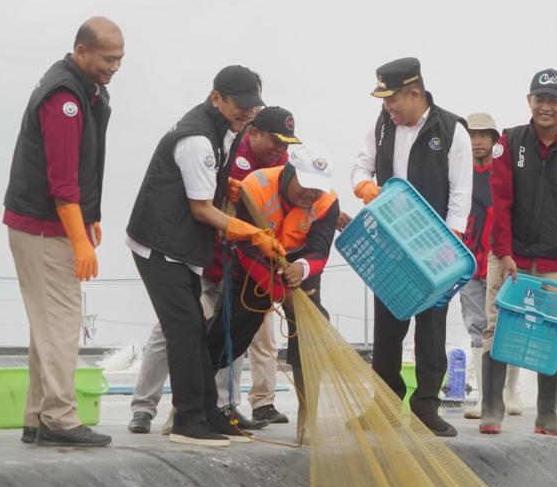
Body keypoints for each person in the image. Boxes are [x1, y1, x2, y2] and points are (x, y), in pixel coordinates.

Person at [126, 65, 284, 447]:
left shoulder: (222, 132)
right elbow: (202, 210)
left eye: (252, 107)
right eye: (240, 106)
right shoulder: (198, 137)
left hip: (183, 248)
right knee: (183, 331)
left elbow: (206, 187)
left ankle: (210, 413)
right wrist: (255, 234)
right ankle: (187, 419)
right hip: (160, 246)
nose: (247, 114)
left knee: (196, 330)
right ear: (217, 98)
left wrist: (224, 184)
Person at [4, 17, 123, 447]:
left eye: (120, 59)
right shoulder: (64, 98)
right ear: (81, 51)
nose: (114, 66)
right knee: (62, 323)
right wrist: (79, 242)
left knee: (47, 326)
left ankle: (38, 417)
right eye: (108, 58)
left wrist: (90, 218)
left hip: (47, 223)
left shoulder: (87, 92)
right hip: (43, 228)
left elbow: (83, 167)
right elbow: (61, 181)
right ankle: (59, 417)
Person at [350, 57, 472, 437]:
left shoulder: (452, 130)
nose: (388, 107)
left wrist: (452, 240)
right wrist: (365, 188)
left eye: (392, 100)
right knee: (387, 327)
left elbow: (461, 191)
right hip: (390, 240)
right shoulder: (382, 125)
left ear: (414, 92)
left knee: (431, 326)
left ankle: (426, 407)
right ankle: (383, 406)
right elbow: (360, 167)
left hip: (433, 242)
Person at [484, 69, 557, 437]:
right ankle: (492, 408)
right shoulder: (508, 142)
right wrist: (503, 253)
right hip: (510, 256)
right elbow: (499, 202)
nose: (546, 107)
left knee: (553, 334)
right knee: (496, 327)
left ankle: (546, 414)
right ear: (529, 100)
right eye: (540, 99)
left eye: (554, 100)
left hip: (556, 260)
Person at [206, 145, 339, 414]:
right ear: (290, 173)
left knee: (310, 328)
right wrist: (279, 291)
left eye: (317, 189)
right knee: (234, 330)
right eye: (305, 186)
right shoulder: (256, 186)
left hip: (299, 259)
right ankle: (199, 405)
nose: (311, 194)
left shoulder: (327, 202)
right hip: (256, 256)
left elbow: (320, 249)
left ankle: (308, 412)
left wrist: (300, 270)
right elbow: (245, 248)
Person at [459, 112, 523, 420]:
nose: (476, 141)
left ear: (495, 139)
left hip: (501, 258)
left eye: (483, 135)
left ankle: (510, 392)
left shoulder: (505, 172)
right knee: (476, 326)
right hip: (469, 262)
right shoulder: (458, 174)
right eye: (471, 135)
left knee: (508, 325)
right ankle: (485, 395)